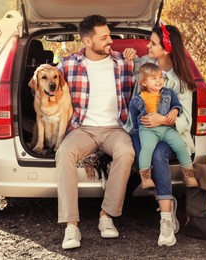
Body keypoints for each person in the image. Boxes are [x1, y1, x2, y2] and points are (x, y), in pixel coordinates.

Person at [55, 15, 136, 250]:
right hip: (84, 128)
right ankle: (71, 225)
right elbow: (47, 86)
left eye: (110, 35)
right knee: (65, 152)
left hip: (115, 127)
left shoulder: (124, 62)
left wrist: (137, 56)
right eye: (105, 37)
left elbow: (154, 74)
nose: (111, 40)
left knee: (126, 151)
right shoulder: (68, 64)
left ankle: (106, 215)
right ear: (87, 42)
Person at [131, 23, 197, 247]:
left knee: (158, 154)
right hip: (145, 130)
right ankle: (167, 204)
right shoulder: (143, 65)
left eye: (153, 43)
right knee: (145, 155)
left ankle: (166, 221)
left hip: (171, 133)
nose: (147, 46)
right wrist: (126, 55)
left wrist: (163, 119)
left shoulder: (181, 81)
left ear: (166, 49)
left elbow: (186, 120)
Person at [129, 63, 198, 190]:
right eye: (153, 78)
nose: (159, 81)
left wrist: (174, 112)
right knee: (147, 149)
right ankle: (146, 178)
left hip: (166, 128)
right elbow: (134, 116)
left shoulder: (168, 93)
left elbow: (176, 105)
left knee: (180, 145)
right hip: (148, 130)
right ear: (143, 82)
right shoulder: (137, 99)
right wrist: (139, 132)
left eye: (161, 77)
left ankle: (188, 175)